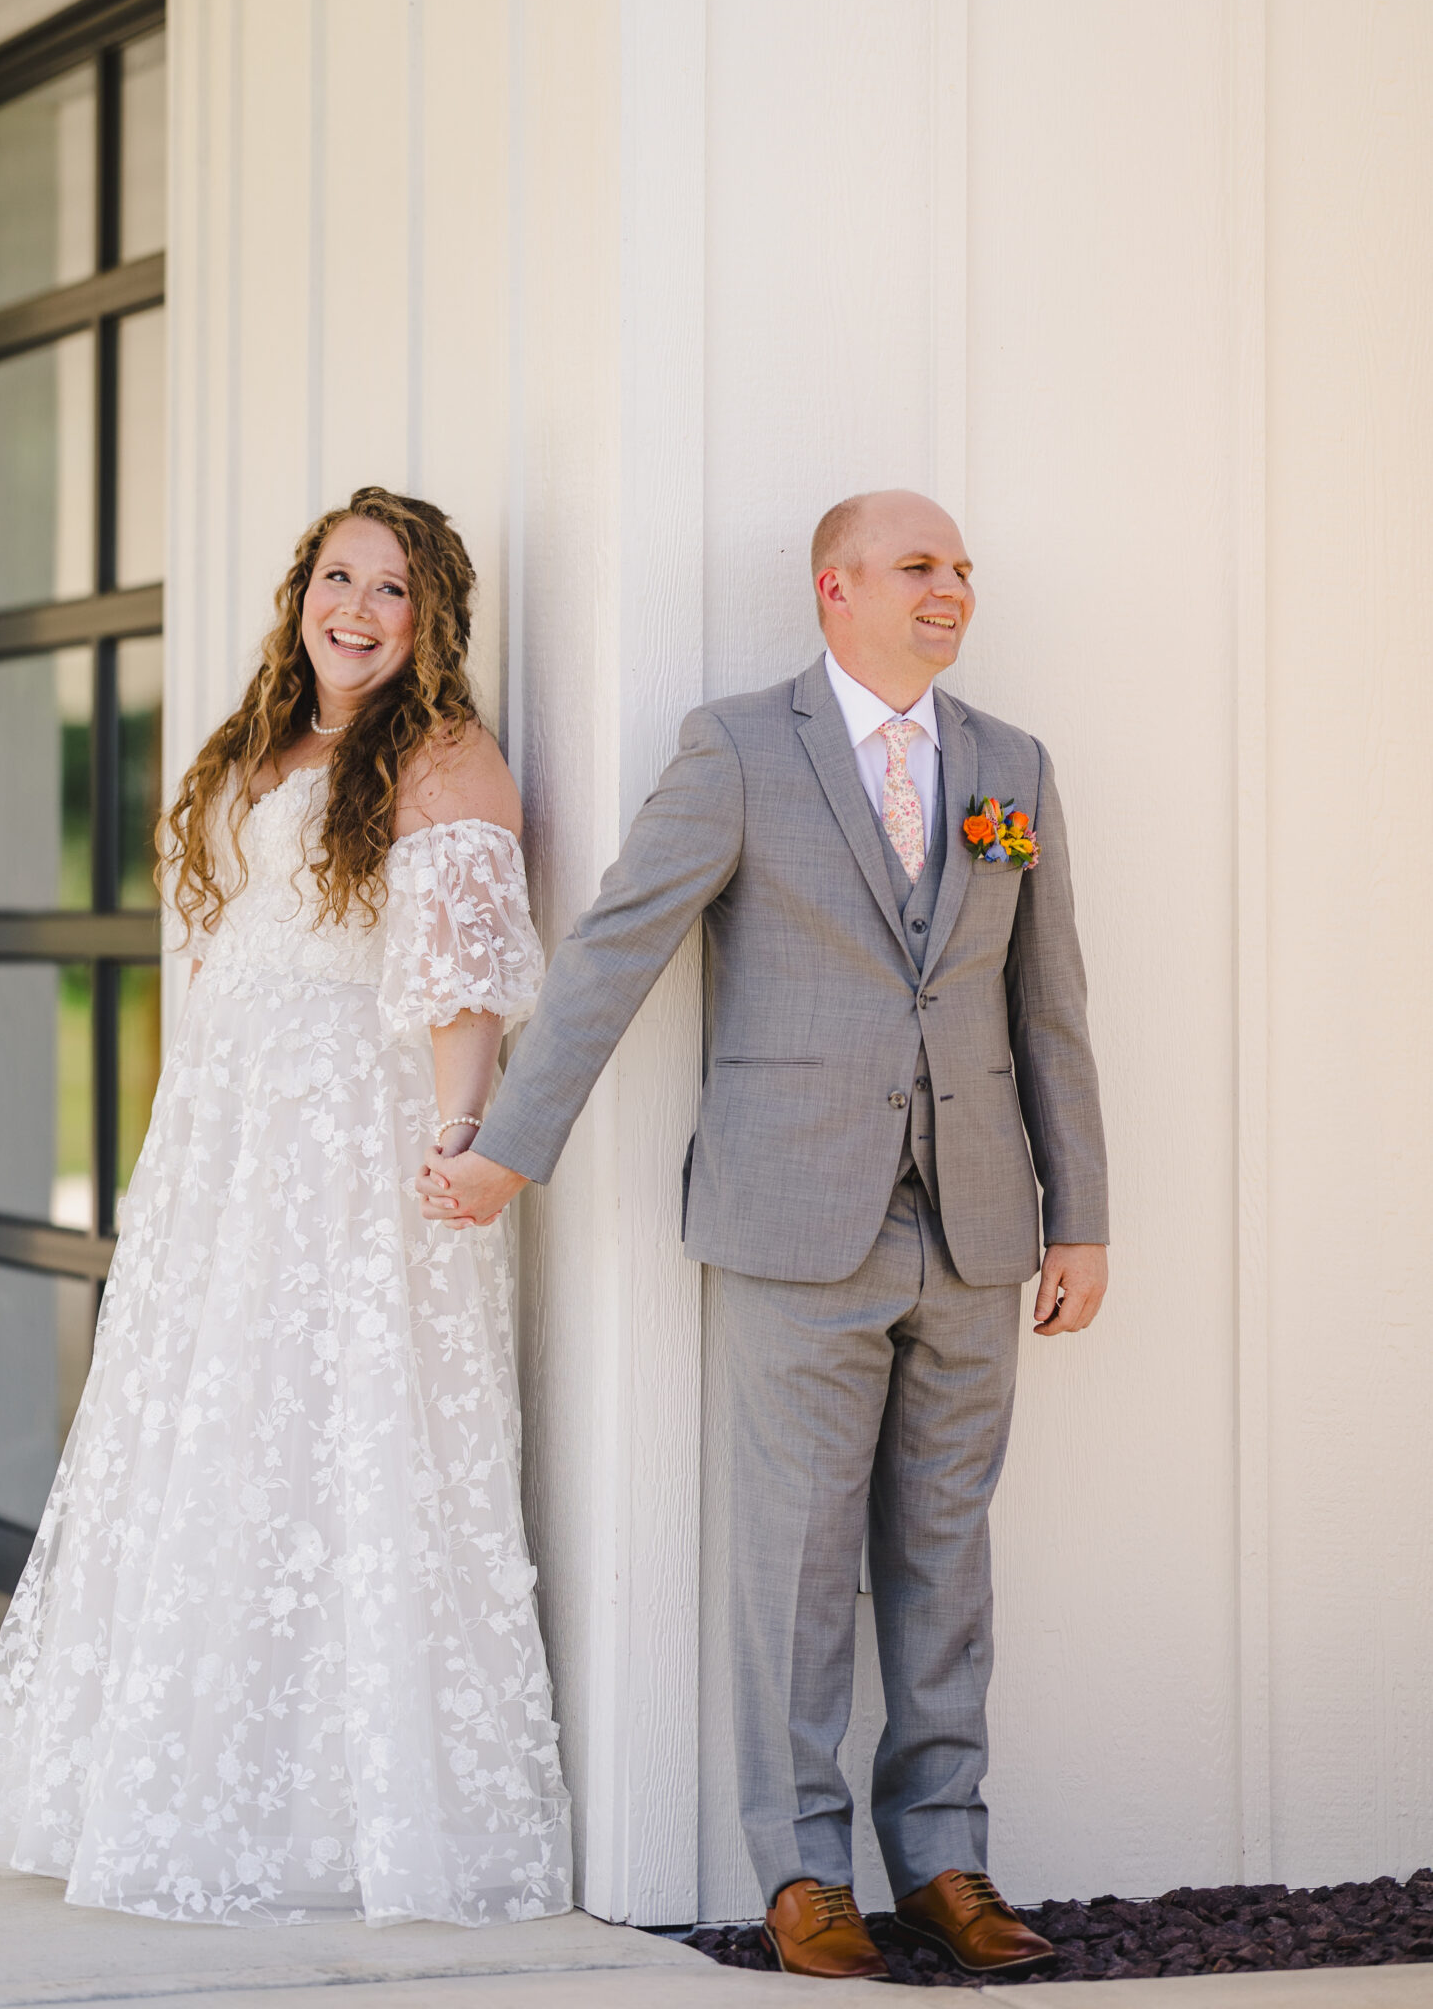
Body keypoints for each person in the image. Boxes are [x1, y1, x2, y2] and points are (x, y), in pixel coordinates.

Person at [0, 487, 572, 1925]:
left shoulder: (441, 754)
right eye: (337, 578)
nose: (356, 611)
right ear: (300, 589)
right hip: (230, 1138)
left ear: (433, 623)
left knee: (336, 1427)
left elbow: (458, 977)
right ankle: (172, 1741)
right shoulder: (266, 741)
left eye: (392, 592)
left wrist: (458, 1137)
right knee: (216, 1422)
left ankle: (329, 1789)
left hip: (352, 1149)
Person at [420, 489, 1108, 1981]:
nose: (952, 590)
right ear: (834, 587)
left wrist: (1084, 1216)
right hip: (799, 1222)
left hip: (981, 1230)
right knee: (792, 1564)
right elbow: (616, 947)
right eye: (921, 566)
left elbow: (1047, 1007)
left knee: (949, 1558)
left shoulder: (1011, 767)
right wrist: (510, 1151)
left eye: (964, 570)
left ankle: (944, 1858)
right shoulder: (739, 749)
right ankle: (804, 1876)